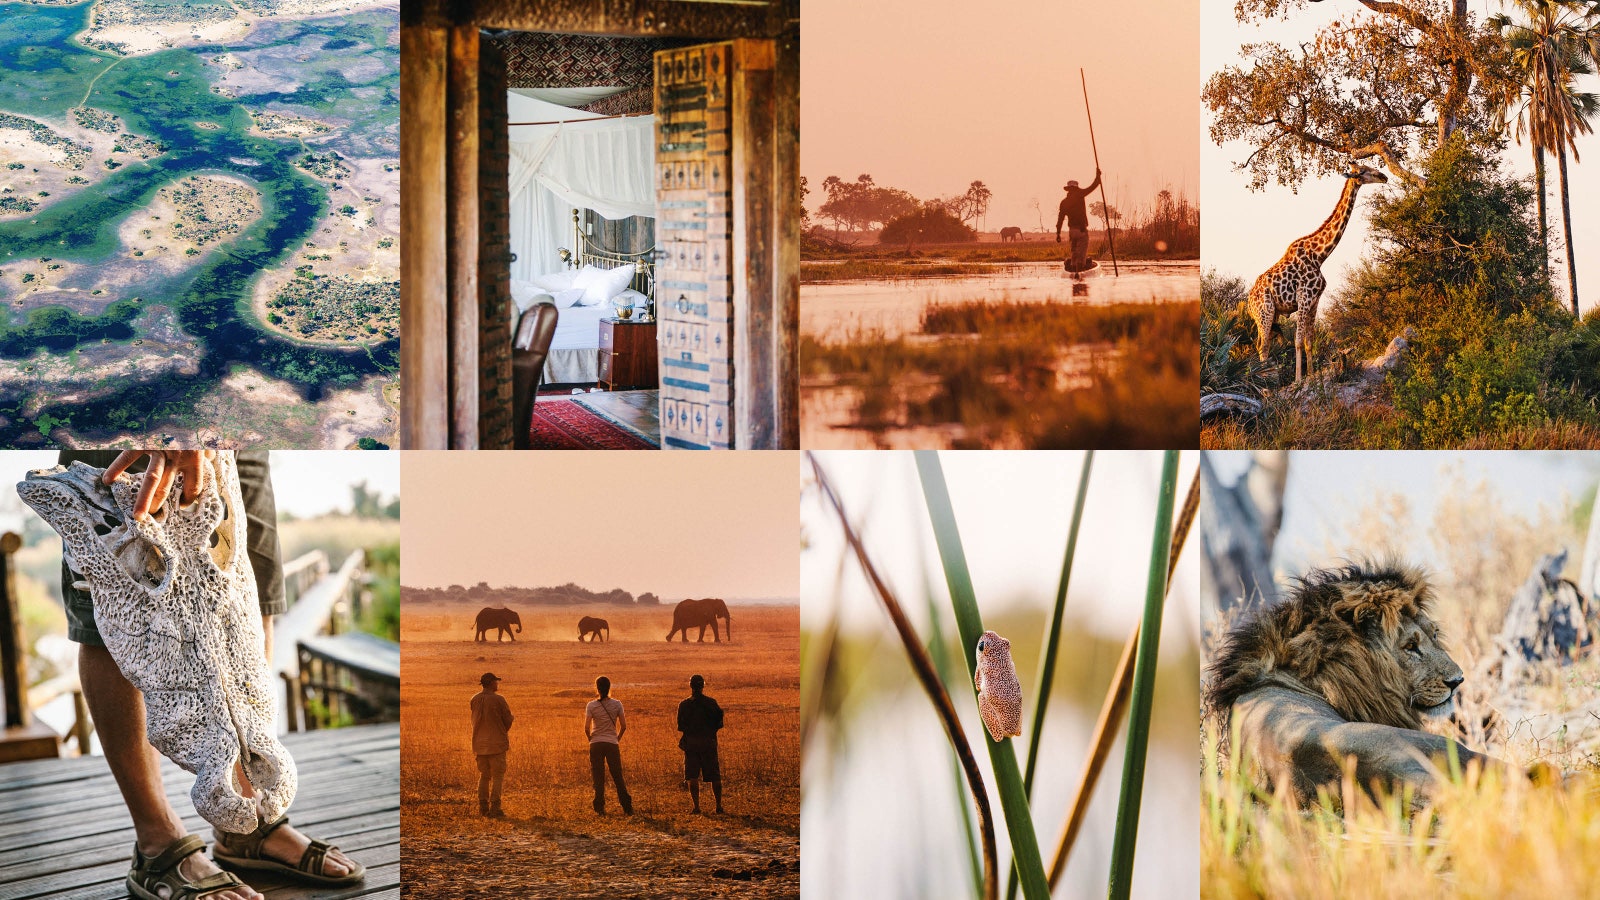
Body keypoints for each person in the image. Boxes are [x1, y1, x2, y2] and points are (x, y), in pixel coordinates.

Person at [59, 450, 361, 900]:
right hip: (129, 399)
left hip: (241, 410)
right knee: (119, 601)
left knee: (249, 592)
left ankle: (246, 822)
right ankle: (157, 839)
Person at [677, 674, 725, 814]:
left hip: (691, 743)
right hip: (709, 742)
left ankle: (696, 807)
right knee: (715, 775)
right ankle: (718, 806)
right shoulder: (711, 703)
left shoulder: (684, 705)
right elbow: (719, 723)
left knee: (692, 776)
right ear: (703, 686)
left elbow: (681, 726)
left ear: (690, 686)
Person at [584, 676, 632, 815]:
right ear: (609, 687)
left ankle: (600, 807)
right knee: (617, 776)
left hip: (596, 743)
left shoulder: (591, 705)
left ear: (597, 688)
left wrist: (590, 739)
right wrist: (617, 738)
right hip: (612, 743)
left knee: (598, 777)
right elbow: (623, 726)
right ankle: (627, 806)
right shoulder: (617, 704)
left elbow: (586, 728)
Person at [471, 671, 514, 818]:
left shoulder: (474, 699)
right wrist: (501, 732)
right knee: (497, 776)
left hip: (479, 744)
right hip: (496, 744)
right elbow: (508, 720)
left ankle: (483, 807)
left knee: (484, 776)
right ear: (491, 683)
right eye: (496, 681)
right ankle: (495, 808)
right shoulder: (499, 700)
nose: (497, 684)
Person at [1054, 168, 1103, 275]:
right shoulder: (1080, 194)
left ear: (1068, 190)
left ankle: (1073, 271)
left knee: (1074, 253)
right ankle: (1078, 274)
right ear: (1075, 188)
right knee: (1081, 255)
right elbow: (1093, 187)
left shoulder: (1064, 202)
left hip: (1072, 231)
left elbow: (1060, 219)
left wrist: (1058, 233)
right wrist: (1098, 177)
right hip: (1081, 231)